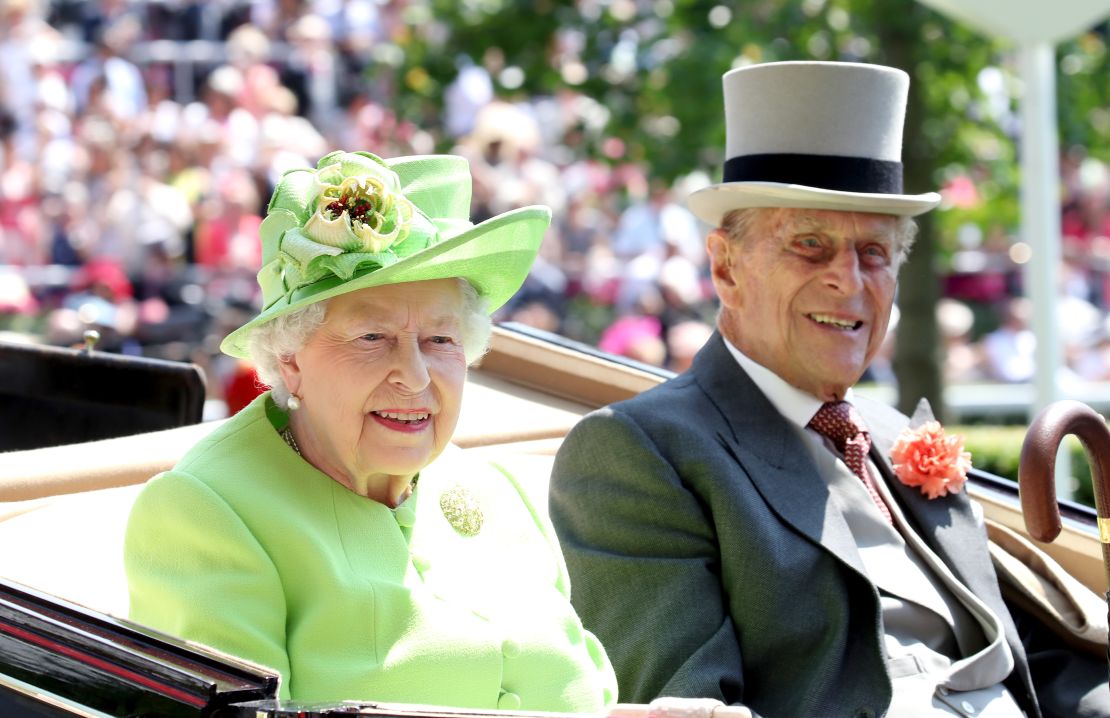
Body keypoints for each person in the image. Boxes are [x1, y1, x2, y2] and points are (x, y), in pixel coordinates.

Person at [550, 62, 1110, 718]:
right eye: (811, 246)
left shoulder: (896, 433)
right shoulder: (639, 452)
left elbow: (1022, 657)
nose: (848, 279)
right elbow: (688, 706)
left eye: (873, 252)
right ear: (726, 268)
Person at [125, 150, 617, 708]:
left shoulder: (497, 490)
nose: (414, 376)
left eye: (440, 340)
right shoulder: (205, 514)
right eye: (371, 338)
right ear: (290, 360)